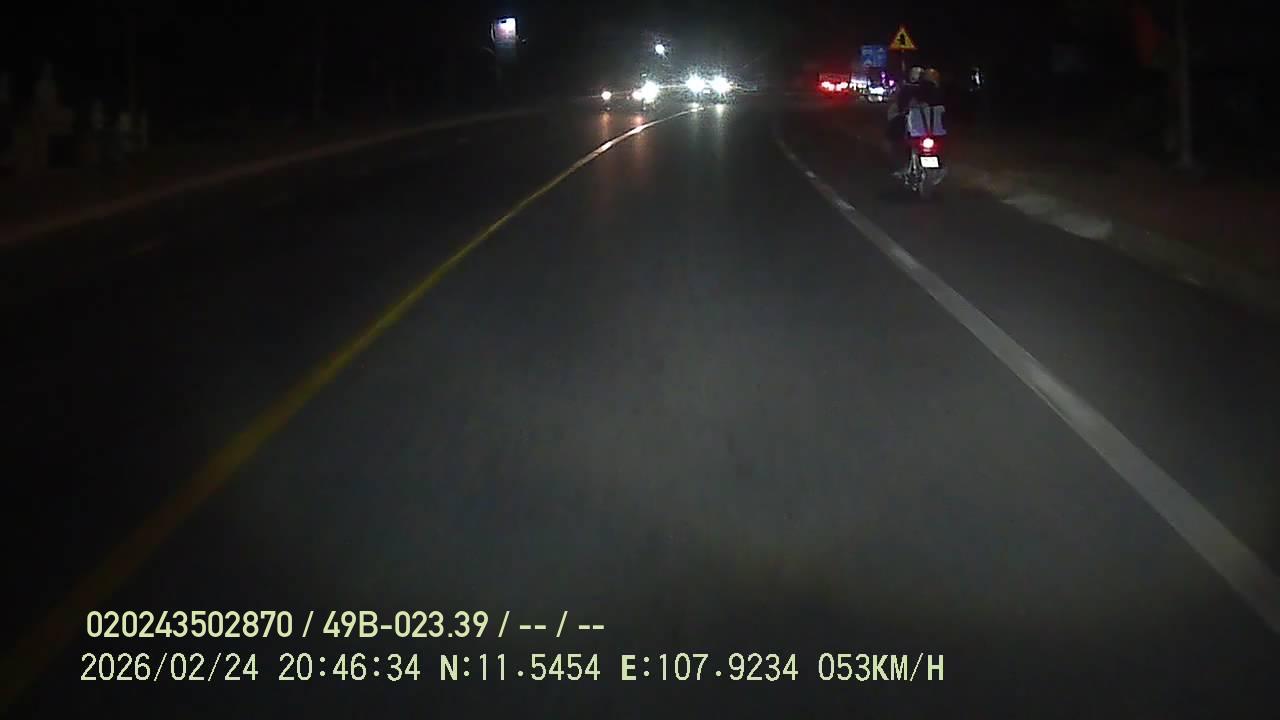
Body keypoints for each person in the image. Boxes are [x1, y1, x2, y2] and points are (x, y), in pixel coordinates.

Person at [885, 66, 925, 174]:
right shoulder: (924, 89)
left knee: (893, 141)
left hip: (914, 123)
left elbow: (899, 105)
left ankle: (900, 166)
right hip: (920, 123)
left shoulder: (907, 89)